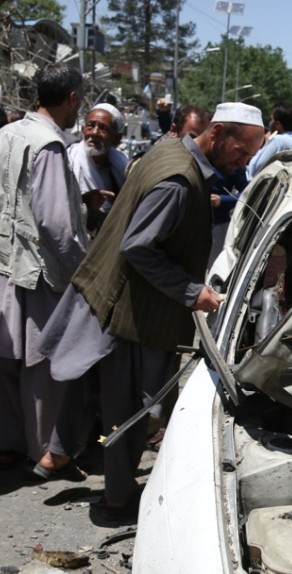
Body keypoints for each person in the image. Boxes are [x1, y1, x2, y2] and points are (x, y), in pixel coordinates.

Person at [38, 102, 266, 520]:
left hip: (119, 300)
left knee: (111, 402)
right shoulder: (178, 181)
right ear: (216, 134)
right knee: (130, 414)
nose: (243, 160)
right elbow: (139, 247)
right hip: (130, 313)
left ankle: (70, 460)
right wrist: (192, 292)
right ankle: (118, 500)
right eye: (241, 150)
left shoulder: (169, 151)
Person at [0, 63, 90, 478]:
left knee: (8, 360)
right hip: (40, 272)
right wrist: (82, 274)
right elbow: (56, 224)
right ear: (72, 98)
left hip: (6, 264)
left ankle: (10, 443)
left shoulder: (7, 134)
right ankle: (43, 452)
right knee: (42, 367)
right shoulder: (49, 146)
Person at [68, 103, 129, 234]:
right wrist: (84, 203)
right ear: (83, 129)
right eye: (90, 126)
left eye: (103, 128)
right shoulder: (68, 161)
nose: (94, 132)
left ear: (116, 138)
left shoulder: (122, 166)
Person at [247, 102, 292, 179]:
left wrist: (267, 142)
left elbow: (255, 169)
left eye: (271, 120)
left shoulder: (279, 140)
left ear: (277, 124)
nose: (270, 123)